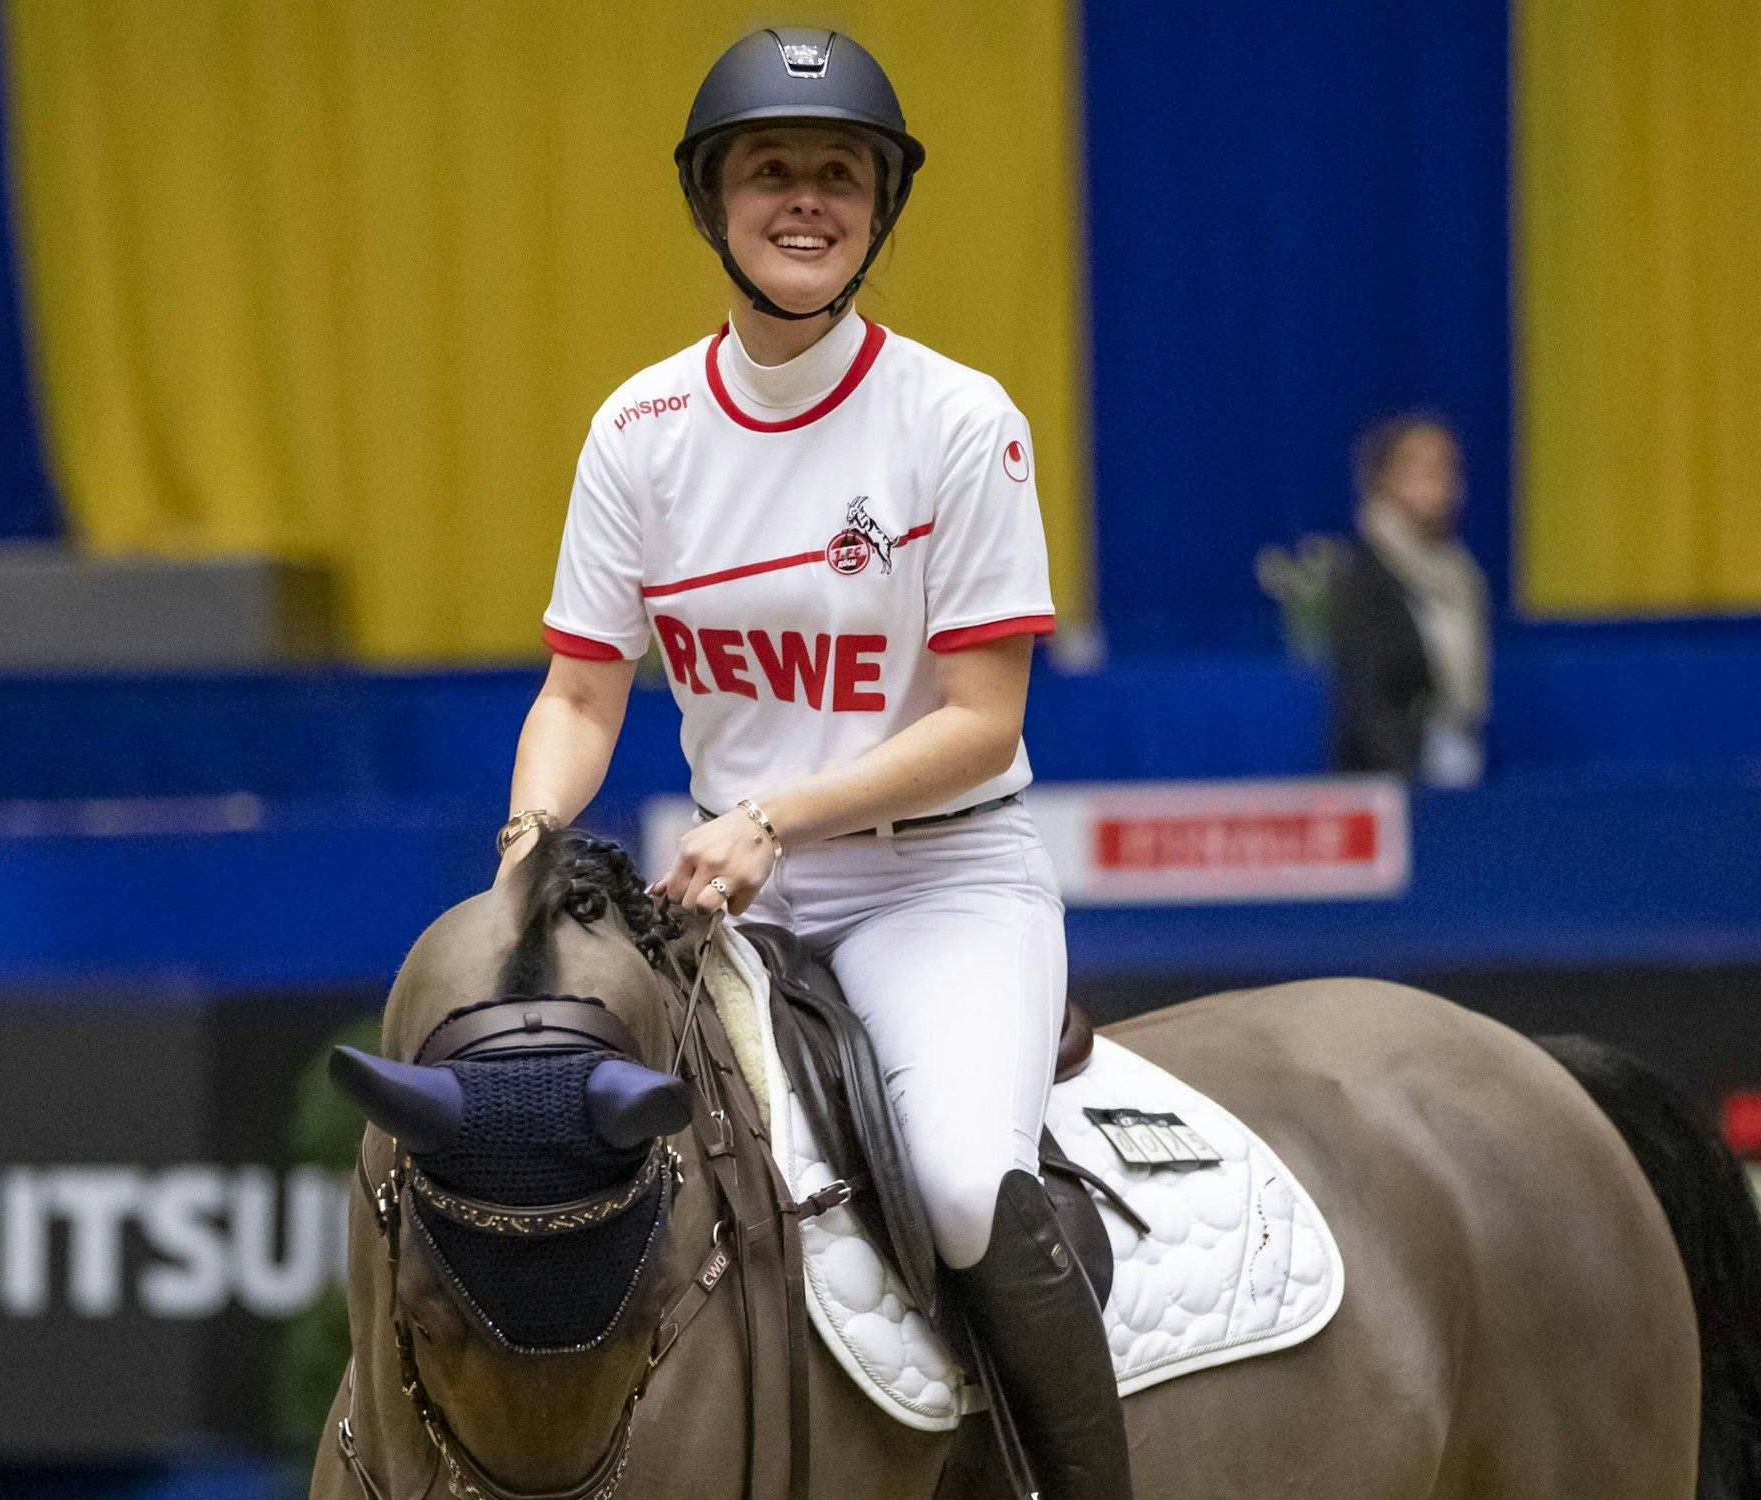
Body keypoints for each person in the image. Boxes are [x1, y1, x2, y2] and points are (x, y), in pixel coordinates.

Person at [495, 28, 1129, 1500]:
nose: (803, 199)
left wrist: (772, 816)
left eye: (836, 174)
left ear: (879, 207)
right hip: (731, 901)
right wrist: (530, 839)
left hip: (939, 885)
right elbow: (583, 696)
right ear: (712, 201)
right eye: (767, 170)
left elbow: (982, 719)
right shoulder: (639, 428)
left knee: (968, 1192)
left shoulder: (961, 422)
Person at [1328, 414, 1490, 786]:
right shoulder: (1364, 577)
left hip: (1462, 764)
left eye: (1447, 465)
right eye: (1421, 466)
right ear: (1384, 477)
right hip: (1392, 786)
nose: (1440, 477)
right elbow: (1366, 705)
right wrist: (1410, 779)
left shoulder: (1462, 574)